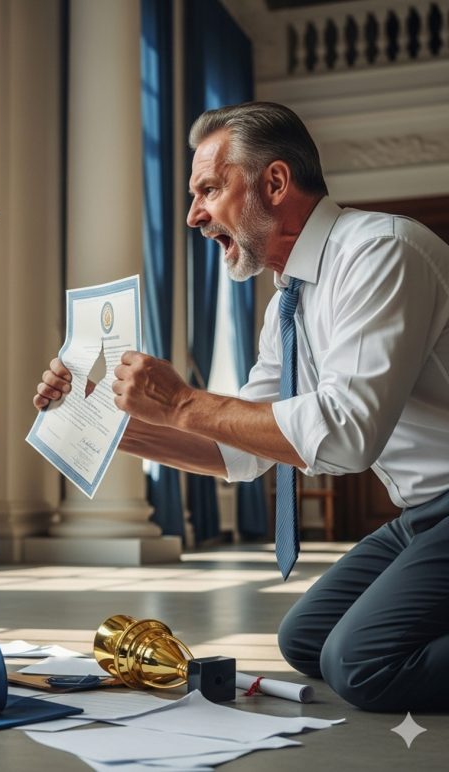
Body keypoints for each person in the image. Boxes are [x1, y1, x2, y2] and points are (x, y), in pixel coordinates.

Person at [34, 101, 449, 713]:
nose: (193, 215)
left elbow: (348, 433)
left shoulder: (381, 251)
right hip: (424, 512)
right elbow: (242, 451)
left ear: (275, 183)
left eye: (209, 189)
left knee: (360, 664)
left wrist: (180, 402)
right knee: (305, 639)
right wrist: (107, 422)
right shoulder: (287, 302)